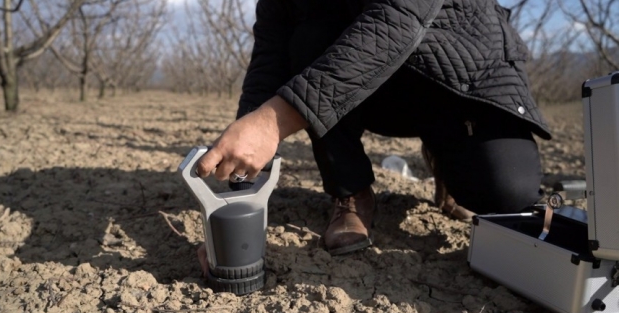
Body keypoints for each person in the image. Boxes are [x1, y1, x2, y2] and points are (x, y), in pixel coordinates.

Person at [195, 0, 549, 264]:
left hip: (462, 73)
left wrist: (274, 121)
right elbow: (269, 55)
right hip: (368, 86)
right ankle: (351, 191)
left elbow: (397, 19)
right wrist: (243, 170)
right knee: (308, 35)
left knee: (505, 194)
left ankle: (446, 154)